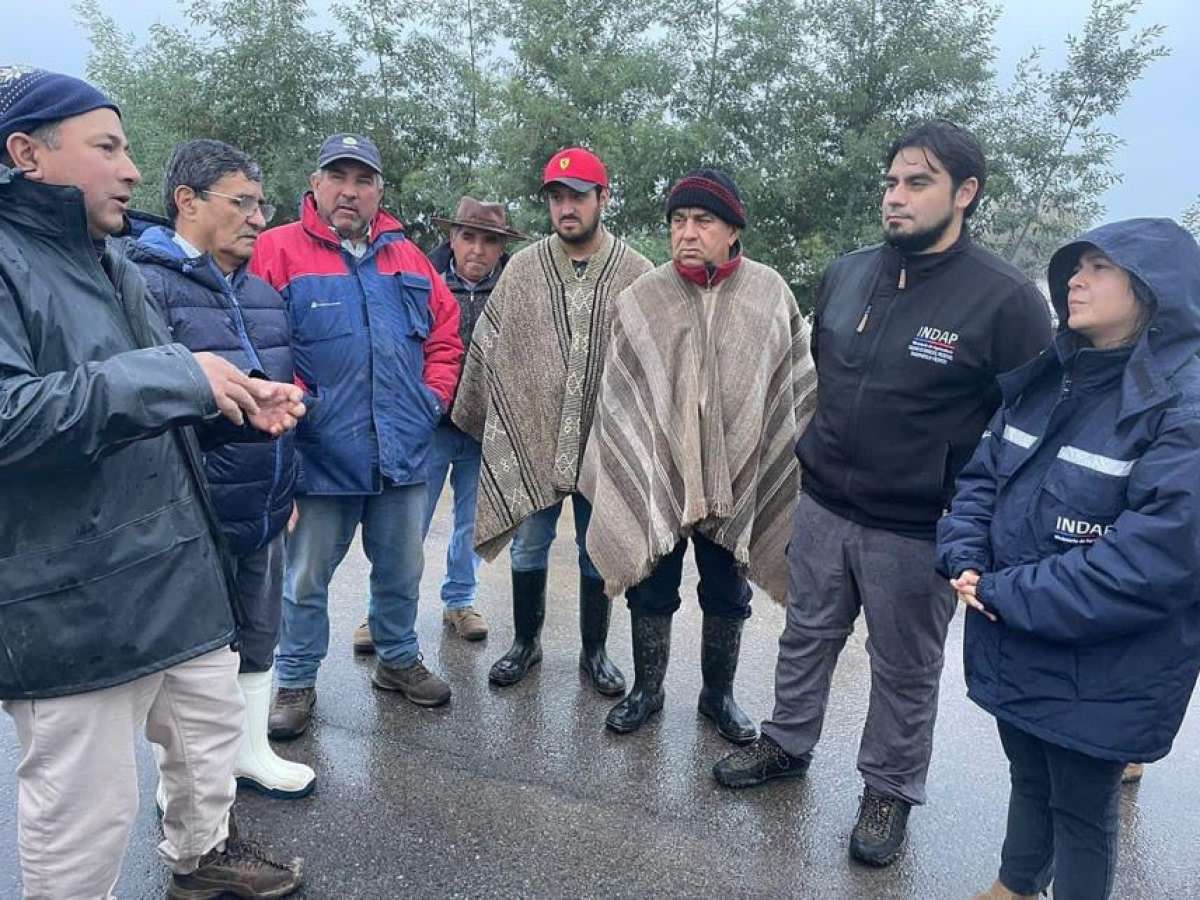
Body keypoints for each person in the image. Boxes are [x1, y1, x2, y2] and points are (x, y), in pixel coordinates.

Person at [712, 120, 1053, 867]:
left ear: (965, 194)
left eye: (917, 183)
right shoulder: (847, 273)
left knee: (904, 667)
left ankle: (889, 789)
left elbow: (1030, 431)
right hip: (826, 502)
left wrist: (984, 528)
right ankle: (787, 742)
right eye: (891, 182)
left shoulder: (1005, 303)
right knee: (806, 635)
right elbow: (822, 384)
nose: (895, 197)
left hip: (919, 525)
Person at [0, 66, 304, 898]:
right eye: (107, 147)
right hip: (72, 596)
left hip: (176, 564)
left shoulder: (106, 257)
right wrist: (181, 379)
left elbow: (152, 395)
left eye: (127, 146)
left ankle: (201, 858)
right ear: (27, 152)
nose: (132, 169)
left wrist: (234, 400)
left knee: (208, 745)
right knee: (86, 811)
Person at [937, 218, 1200, 900]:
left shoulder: (1184, 405)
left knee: (1083, 808)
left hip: (1110, 659)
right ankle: (1016, 884)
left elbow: (1154, 560)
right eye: (1074, 267)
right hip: (1016, 626)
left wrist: (1003, 590)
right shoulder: (1051, 377)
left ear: (1151, 289)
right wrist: (964, 554)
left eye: (1099, 268)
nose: (1075, 281)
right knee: (1028, 771)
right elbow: (982, 477)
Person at [580, 169, 817, 741]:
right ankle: (647, 690)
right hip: (659, 469)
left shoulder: (770, 294)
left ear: (733, 230)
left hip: (740, 476)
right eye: (678, 221)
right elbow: (622, 397)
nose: (687, 232)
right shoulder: (642, 299)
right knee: (652, 586)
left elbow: (793, 390)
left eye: (703, 221)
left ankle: (718, 696)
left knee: (726, 590)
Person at [251, 133, 463, 734]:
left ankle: (396, 660)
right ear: (315, 184)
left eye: (363, 179)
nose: (350, 190)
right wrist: (291, 424)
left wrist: (431, 399)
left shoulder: (409, 259)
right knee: (305, 576)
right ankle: (294, 680)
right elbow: (261, 352)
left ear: (378, 192)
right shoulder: (276, 252)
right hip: (319, 456)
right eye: (337, 176)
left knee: (401, 570)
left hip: (400, 451)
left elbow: (445, 337)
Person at [128, 138, 315, 799]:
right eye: (243, 203)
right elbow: (144, 407)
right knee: (190, 662)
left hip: (260, 509)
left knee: (260, 637)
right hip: (188, 517)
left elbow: (277, 399)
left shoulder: (262, 294)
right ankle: (181, 785)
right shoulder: (143, 285)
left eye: (262, 206)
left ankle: (252, 752)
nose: (259, 220)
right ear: (187, 201)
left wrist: (281, 486)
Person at [453, 147, 653, 695]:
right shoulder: (522, 268)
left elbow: (652, 361)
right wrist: (487, 415)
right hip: (534, 439)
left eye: (578, 197)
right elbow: (493, 348)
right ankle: (526, 643)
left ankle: (595, 650)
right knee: (529, 545)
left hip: (604, 445)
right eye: (557, 198)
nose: (566, 208)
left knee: (597, 550)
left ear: (603, 198)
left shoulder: (637, 272)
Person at [351, 197, 527, 651]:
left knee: (471, 521)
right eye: (468, 237)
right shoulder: (419, 279)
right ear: (452, 237)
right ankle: (381, 612)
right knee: (406, 523)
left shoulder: (515, 288)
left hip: (484, 428)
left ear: (501, 247)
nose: (477, 250)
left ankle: (460, 601)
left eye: (489, 240)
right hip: (428, 425)